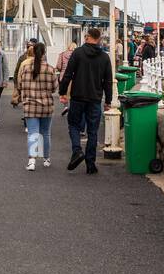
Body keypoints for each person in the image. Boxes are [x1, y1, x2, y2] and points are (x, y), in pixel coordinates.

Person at [58, 26, 114, 175]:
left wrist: (62, 92)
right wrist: (108, 101)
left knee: (74, 125)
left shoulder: (78, 53)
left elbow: (68, 74)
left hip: (77, 96)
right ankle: (91, 164)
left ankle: (77, 150)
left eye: (85, 37)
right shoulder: (104, 57)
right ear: (99, 39)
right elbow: (108, 81)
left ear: (88, 37)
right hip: (95, 99)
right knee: (93, 131)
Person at [16, 41, 58, 170]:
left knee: (33, 133)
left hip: (30, 105)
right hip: (46, 106)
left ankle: (32, 161)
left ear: (33, 52)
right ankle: (46, 159)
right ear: (44, 52)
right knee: (45, 133)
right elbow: (54, 88)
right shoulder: (50, 69)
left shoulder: (25, 68)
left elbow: (20, 85)